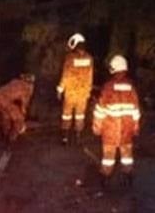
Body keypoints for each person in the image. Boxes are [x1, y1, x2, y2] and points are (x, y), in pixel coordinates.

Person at [92, 54, 141, 188]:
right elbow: (136, 110)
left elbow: (100, 110)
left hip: (110, 129)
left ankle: (105, 179)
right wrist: (136, 127)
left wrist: (97, 127)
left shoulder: (108, 87)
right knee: (127, 155)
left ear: (113, 69)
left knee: (108, 156)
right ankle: (128, 178)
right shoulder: (131, 87)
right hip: (127, 129)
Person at [56, 32, 94, 145]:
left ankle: (65, 137)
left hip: (70, 92)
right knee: (80, 115)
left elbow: (65, 75)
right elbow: (90, 77)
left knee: (66, 115)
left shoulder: (70, 58)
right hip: (83, 93)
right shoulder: (89, 58)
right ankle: (78, 136)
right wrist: (88, 91)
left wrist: (60, 90)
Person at [0, 73, 35, 144]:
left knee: (7, 115)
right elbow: (24, 103)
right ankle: (12, 138)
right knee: (19, 118)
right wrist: (23, 113)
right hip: (4, 99)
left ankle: (5, 134)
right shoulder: (27, 87)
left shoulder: (15, 81)